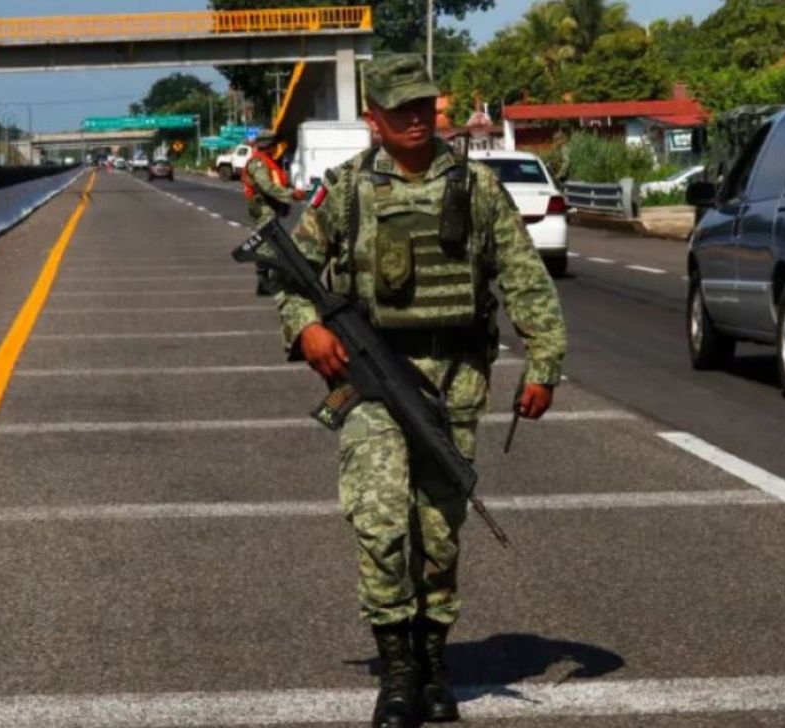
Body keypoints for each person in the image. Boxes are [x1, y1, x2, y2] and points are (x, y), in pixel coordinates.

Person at [272, 54, 566, 727]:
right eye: (398, 108)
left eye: (422, 106)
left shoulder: (477, 187)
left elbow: (524, 278)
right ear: (373, 118)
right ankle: (397, 671)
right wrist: (306, 330)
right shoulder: (345, 191)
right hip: (371, 380)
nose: (413, 119)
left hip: (454, 380)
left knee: (439, 531)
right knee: (379, 524)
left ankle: (434, 664)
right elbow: (291, 275)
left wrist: (544, 364)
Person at [243, 131, 305, 227]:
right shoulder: (258, 162)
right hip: (264, 209)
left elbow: (276, 182)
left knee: (274, 238)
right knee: (268, 240)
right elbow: (266, 186)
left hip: (271, 207)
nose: (277, 148)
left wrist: (291, 190)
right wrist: (291, 193)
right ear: (268, 146)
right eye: (275, 145)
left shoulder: (268, 160)